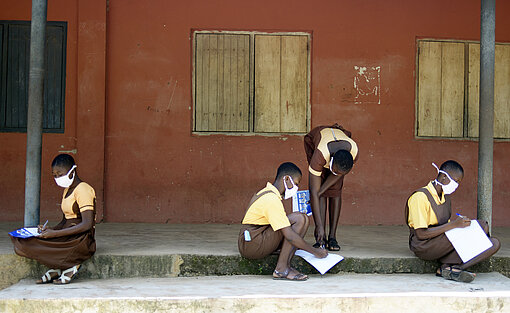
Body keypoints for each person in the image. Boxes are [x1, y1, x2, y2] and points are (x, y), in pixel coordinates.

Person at [405, 160, 500, 283]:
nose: (456, 185)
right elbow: (421, 234)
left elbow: (446, 226)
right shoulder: (420, 197)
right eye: (456, 181)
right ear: (444, 177)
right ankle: (450, 267)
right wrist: (454, 225)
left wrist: (459, 225)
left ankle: (453, 268)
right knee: (479, 232)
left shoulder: (445, 197)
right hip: (424, 245)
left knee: (491, 238)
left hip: (441, 241)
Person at [10, 154, 96, 284]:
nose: (57, 178)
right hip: (67, 233)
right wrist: (49, 230)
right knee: (21, 242)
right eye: (55, 175)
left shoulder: (83, 189)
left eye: (60, 174)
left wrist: (55, 234)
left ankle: (66, 265)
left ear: (72, 171)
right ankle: (61, 265)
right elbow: (64, 221)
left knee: (24, 247)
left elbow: (87, 224)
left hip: (81, 239)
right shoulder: (67, 190)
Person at [238, 162, 328, 281]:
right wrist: (315, 251)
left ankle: (286, 265)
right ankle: (281, 269)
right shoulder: (271, 199)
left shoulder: (268, 192)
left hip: (253, 239)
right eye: (296, 183)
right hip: (252, 244)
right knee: (299, 219)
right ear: (286, 179)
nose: (296, 188)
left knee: (302, 218)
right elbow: (290, 236)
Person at [304, 123, 358, 251]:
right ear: (331, 161)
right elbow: (314, 192)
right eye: (335, 170)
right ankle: (320, 236)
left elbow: (339, 173)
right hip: (316, 144)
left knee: (335, 191)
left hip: (338, 160)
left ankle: (332, 236)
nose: (337, 174)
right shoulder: (320, 155)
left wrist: (320, 191)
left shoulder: (354, 151)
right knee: (317, 192)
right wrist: (318, 226)